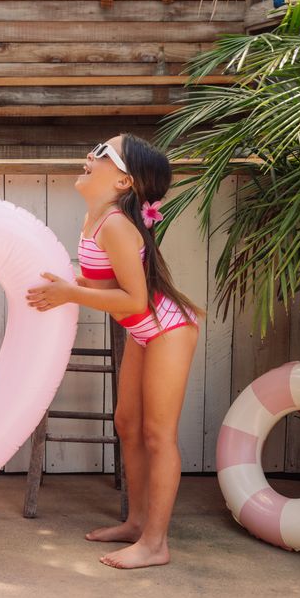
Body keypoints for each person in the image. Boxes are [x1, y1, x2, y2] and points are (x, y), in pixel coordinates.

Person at [26, 134, 203, 569]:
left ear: (124, 182)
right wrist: (70, 283)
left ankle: (156, 544)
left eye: (102, 152)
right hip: (144, 331)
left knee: (158, 434)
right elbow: (107, 284)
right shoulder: (96, 220)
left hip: (167, 329)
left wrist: (71, 293)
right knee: (127, 423)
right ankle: (137, 522)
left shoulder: (117, 226)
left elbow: (135, 300)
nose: (90, 155)